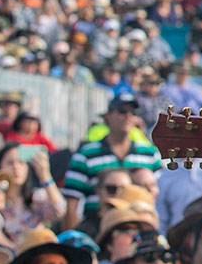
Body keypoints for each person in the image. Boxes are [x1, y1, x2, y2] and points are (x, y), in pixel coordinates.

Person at [62, 95, 164, 224]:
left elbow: (161, 198)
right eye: (122, 111)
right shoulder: (86, 154)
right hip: (97, 226)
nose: (128, 116)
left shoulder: (150, 155)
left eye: (133, 113)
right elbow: (71, 202)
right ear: (108, 116)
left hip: (139, 226)